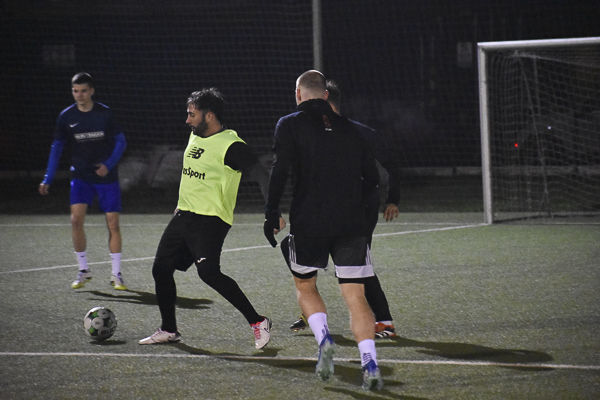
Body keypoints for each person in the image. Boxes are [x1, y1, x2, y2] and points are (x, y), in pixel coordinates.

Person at [263, 70, 383, 390]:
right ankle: (369, 360)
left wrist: (271, 212)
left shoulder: (289, 124)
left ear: (298, 94)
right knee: (356, 296)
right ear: (326, 95)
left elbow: (279, 170)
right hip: (351, 223)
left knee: (305, 286)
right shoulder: (353, 129)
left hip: (309, 221)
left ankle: (324, 339)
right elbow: (372, 179)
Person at [139, 88, 273, 350]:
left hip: (210, 219)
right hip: (183, 214)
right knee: (161, 269)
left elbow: (261, 175)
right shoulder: (195, 134)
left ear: (209, 116)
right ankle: (169, 329)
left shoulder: (232, 145)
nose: (187, 120)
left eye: (192, 114)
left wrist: (271, 211)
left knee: (209, 273)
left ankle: (258, 321)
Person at [286, 79, 401, 338]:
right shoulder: (314, 132)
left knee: (357, 267)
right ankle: (310, 308)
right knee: (293, 249)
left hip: (357, 211)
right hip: (329, 209)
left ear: (324, 99)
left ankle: (384, 321)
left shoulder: (355, 131)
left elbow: (390, 165)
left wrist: (392, 199)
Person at [39, 72, 128, 290]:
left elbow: (121, 142)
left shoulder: (104, 113)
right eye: (75, 91)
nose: (79, 95)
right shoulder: (66, 117)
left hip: (105, 176)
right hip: (80, 177)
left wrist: (108, 164)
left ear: (91, 91)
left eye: (83, 91)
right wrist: (48, 178)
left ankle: (116, 274)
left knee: (113, 223)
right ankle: (83, 270)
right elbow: (57, 147)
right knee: (75, 221)